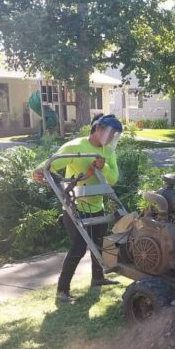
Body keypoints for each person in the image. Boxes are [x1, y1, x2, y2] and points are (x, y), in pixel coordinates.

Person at [33, 113, 123, 303]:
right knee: (79, 247)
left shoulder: (108, 152)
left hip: (96, 205)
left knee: (99, 243)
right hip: (75, 207)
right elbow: (52, 163)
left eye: (115, 135)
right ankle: (62, 290)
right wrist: (39, 171)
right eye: (110, 133)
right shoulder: (75, 146)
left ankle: (98, 278)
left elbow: (113, 179)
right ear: (97, 129)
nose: (112, 137)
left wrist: (103, 167)